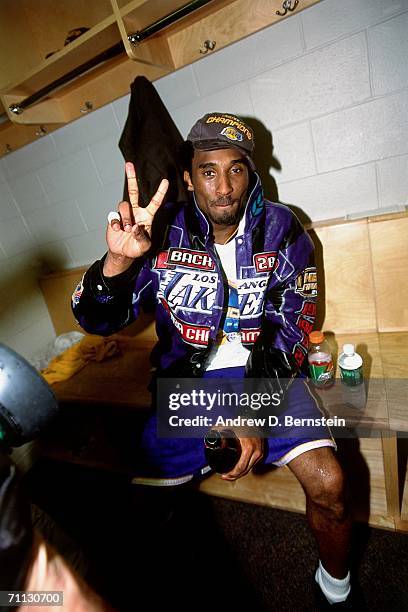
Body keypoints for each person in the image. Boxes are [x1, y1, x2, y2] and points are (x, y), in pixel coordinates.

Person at [72, 112, 354, 607]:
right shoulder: (161, 234)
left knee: (330, 483)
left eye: (236, 169)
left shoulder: (283, 228)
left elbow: (294, 327)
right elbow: (98, 322)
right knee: (144, 513)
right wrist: (117, 264)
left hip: (264, 373)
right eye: (208, 171)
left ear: (251, 172)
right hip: (187, 382)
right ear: (189, 176)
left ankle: (336, 590)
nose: (223, 187)